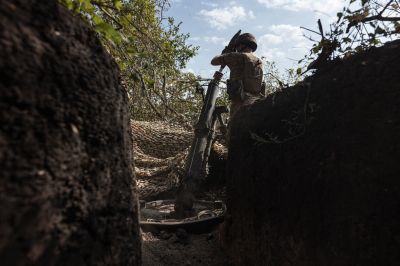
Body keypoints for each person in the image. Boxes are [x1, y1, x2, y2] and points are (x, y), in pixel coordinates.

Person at [210, 33, 264, 142]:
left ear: (241, 45)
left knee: (234, 135)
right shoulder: (259, 61)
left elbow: (213, 61)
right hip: (257, 102)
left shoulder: (236, 56)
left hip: (241, 103)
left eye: (237, 46)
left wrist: (227, 51)